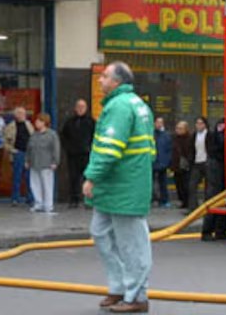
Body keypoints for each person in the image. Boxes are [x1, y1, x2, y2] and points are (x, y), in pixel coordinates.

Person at [82, 61, 155, 313]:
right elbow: (150, 150)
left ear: (117, 82)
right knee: (101, 233)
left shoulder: (120, 107)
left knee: (131, 244)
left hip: (123, 188)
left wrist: (91, 177)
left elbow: (109, 149)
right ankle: (119, 287)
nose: (100, 80)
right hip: (120, 186)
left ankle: (136, 296)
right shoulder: (135, 104)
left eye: (104, 76)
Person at [201, 118, 226, 241]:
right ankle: (207, 231)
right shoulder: (214, 135)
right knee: (214, 198)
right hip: (215, 168)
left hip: (224, 167)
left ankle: (221, 231)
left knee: (224, 199)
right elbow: (218, 147)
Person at [60, 99, 94, 208]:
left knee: (87, 177)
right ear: (75, 108)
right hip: (73, 155)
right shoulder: (69, 122)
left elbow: (96, 137)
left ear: (86, 108)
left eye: (82, 107)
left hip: (86, 154)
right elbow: (63, 136)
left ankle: (88, 200)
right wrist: (68, 148)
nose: (80, 109)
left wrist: (90, 148)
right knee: (73, 177)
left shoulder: (91, 122)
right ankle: (74, 200)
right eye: (78, 107)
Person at [26, 113, 60, 214]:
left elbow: (56, 149)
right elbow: (29, 149)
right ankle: (38, 203)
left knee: (47, 185)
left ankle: (48, 206)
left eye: (38, 121)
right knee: (35, 184)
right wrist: (27, 160)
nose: (36, 123)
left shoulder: (52, 135)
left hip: (46, 163)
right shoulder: (34, 135)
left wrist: (55, 161)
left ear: (44, 122)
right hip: (34, 163)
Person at [2, 107, 34, 206]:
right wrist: (13, 151)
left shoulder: (29, 125)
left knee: (29, 177)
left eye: (22, 113)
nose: (21, 115)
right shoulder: (10, 127)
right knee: (17, 177)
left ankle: (30, 198)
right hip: (18, 153)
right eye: (19, 113)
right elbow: (5, 143)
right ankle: (15, 198)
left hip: (28, 153)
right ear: (15, 115)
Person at [186, 117, 209, 212]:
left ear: (205, 125)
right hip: (197, 163)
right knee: (192, 185)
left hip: (207, 162)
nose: (199, 125)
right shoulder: (194, 135)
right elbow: (191, 149)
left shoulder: (209, 135)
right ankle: (193, 207)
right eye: (197, 123)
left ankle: (207, 207)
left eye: (201, 123)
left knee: (208, 187)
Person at [170, 121, 194, 209]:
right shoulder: (174, 138)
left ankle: (187, 202)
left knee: (186, 185)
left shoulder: (189, 139)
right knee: (178, 184)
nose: (178, 130)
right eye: (177, 128)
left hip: (186, 166)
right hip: (176, 165)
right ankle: (182, 201)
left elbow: (190, 152)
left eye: (180, 128)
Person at [151, 117, 172, 208]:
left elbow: (169, 149)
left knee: (163, 183)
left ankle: (164, 200)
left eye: (161, 122)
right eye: (157, 122)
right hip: (152, 162)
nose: (159, 124)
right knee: (150, 183)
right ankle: (150, 200)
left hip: (162, 163)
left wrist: (167, 161)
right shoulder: (151, 134)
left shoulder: (166, 135)